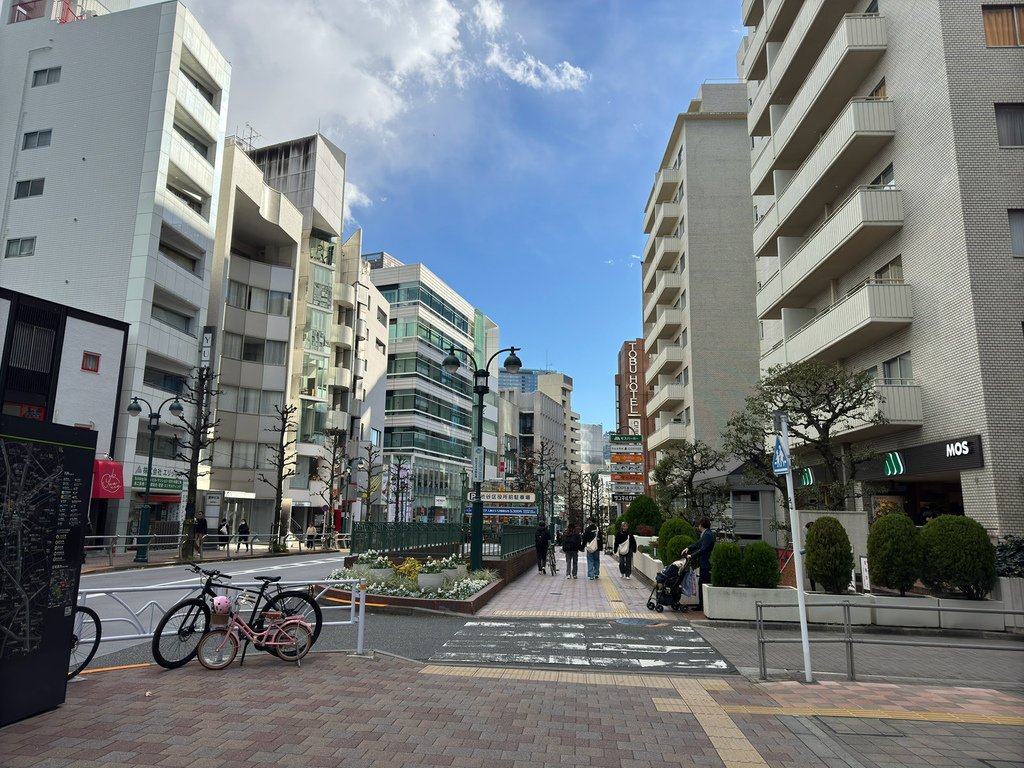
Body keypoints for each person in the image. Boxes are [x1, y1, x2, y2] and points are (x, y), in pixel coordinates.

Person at [684, 517, 715, 612]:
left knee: (703, 583)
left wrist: (691, 556)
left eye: (698, 525)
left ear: (701, 525)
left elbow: (703, 549)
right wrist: (688, 548)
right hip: (704, 563)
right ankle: (701, 605)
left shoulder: (708, 535)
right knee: (701, 583)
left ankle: (702, 605)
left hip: (706, 563)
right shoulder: (706, 534)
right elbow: (698, 544)